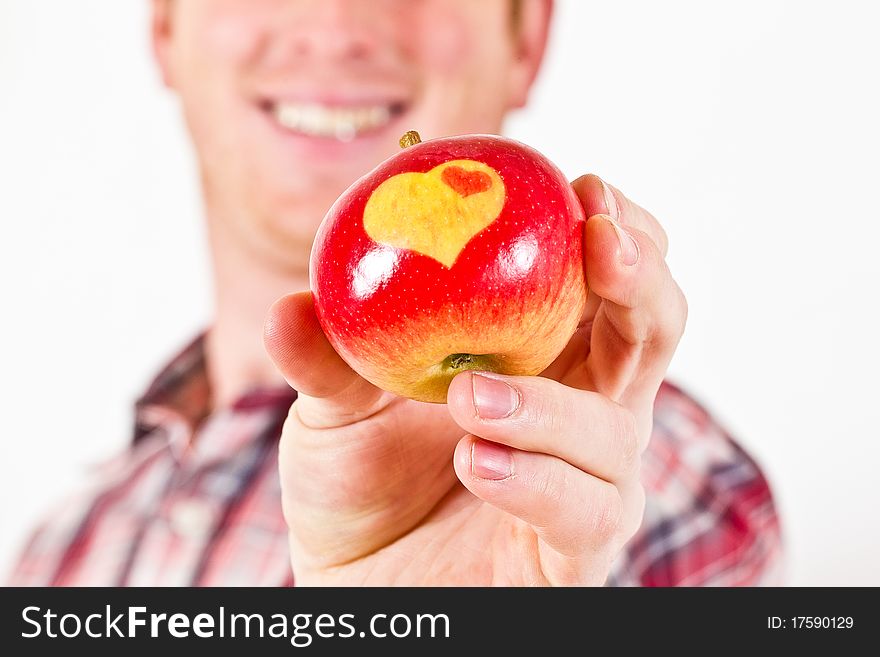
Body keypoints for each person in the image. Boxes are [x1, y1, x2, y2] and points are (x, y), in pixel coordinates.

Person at [9, 0, 781, 586]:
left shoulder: (652, 492)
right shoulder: (60, 550)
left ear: (528, 37)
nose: (337, 25)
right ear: (166, 27)